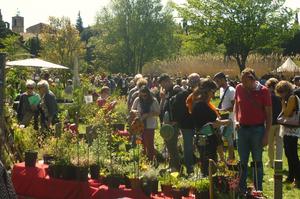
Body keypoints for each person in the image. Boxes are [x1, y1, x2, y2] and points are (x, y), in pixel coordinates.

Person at [234, 68, 272, 192]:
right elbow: (236, 106)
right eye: (242, 81)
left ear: (252, 79)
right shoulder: (239, 88)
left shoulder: (264, 91)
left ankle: (258, 189)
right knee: (242, 161)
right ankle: (241, 188)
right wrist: (236, 120)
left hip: (257, 130)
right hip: (242, 130)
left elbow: (269, 115)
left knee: (257, 161)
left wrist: (266, 134)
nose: (243, 84)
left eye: (246, 81)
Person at [191, 78, 231, 176]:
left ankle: (211, 186)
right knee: (208, 166)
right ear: (208, 91)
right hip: (205, 140)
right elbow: (210, 124)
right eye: (213, 92)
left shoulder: (203, 104)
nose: (213, 95)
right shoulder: (200, 105)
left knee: (210, 164)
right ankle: (209, 188)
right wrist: (227, 122)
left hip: (210, 140)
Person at [172, 73, 200, 174]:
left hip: (192, 124)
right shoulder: (184, 95)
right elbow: (178, 110)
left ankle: (193, 166)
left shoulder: (184, 94)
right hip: (188, 124)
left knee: (192, 146)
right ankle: (190, 168)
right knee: (189, 147)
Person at [275, 80, 300, 187]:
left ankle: (298, 179)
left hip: (292, 131)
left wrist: (282, 104)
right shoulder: (291, 97)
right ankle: (291, 176)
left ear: (285, 91)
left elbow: (287, 113)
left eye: (281, 92)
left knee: (292, 155)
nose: (280, 95)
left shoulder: (291, 98)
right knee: (289, 154)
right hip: (289, 130)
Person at [131, 86, 160, 161]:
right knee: (141, 142)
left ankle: (151, 159)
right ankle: (144, 159)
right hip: (139, 124)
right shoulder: (137, 100)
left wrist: (148, 114)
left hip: (150, 125)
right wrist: (135, 112)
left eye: (145, 95)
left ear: (148, 94)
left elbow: (158, 112)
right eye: (142, 95)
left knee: (149, 143)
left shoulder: (153, 100)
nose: (144, 97)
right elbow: (132, 109)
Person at [159, 73, 181, 171]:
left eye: (163, 84)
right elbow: (163, 108)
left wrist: (176, 120)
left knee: (172, 145)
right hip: (166, 122)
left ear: (168, 81)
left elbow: (179, 107)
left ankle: (176, 166)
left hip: (173, 123)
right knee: (168, 144)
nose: (162, 86)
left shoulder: (176, 91)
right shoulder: (166, 92)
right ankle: (171, 165)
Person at [213, 72, 236, 161]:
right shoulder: (222, 90)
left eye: (218, 81)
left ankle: (231, 159)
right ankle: (230, 158)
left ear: (223, 79)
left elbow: (234, 106)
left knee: (229, 138)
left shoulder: (231, 90)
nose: (217, 83)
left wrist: (222, 110)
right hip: (224, 116)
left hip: (230, 118)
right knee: (225, 138)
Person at [265, 78, 283, 168]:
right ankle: (278, 163)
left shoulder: (268, 96)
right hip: (280, 123)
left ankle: (271, 162)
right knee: (279, 144)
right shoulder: (281, 96)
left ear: (270, 86)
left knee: (270, 144)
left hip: (271, 123)